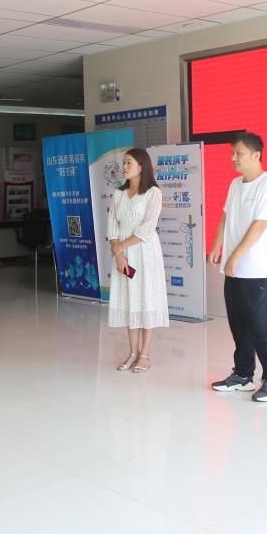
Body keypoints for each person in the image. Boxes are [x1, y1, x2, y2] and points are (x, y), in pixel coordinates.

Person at [209, 131, 267, 402]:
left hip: (256, 269)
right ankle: (243, 375)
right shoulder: (235, 184)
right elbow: (225, 216)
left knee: (261, 326)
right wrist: (218, 245)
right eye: (232, 153)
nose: (234, 158)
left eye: (239, 153)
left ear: (256, 155)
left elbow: (260, 225)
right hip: (234, 269)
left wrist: (235, 255)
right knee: (239, 324)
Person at [106, 148, 168, 372]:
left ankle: (145, 355)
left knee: (146, 300)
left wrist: (121, 247)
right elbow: (112, 226)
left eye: (129, 163)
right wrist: (119, 254)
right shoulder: (118, 193)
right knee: (130, 302)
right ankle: (133, 353)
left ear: (142, 166)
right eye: (123, 163)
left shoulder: (153, 193)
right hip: (123, 256)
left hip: (144, 253)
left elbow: (147, 228)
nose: (124, 167)